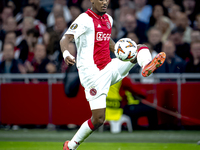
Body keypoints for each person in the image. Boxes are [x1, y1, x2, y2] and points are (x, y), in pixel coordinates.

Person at [60, 0, 166, 149]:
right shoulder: (84, 19)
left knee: (140, 48)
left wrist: (117, 49)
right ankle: (70, 145)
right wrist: (66, 53)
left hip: (110, 66)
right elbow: (65, 38)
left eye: (106, 0)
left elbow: (105, 39)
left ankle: (146, 65)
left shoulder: (108, 19)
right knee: (98, 119)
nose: (104, 2)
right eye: (101, 0)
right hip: (92, 74)